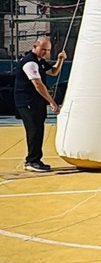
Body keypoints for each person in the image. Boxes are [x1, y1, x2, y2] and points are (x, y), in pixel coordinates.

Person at [15, 36, 65, 172]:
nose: (45, 53)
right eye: (43, 49)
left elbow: (53, 72)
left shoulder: (40, 62)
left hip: (36, 102)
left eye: (48, 50)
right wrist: (52, 102)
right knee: (34, 130)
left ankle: (36, 159)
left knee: (38, 129)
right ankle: (31, 161)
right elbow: (38, 85)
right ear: (35, 47)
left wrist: (60, 60)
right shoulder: (29, 62)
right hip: (27, 102)